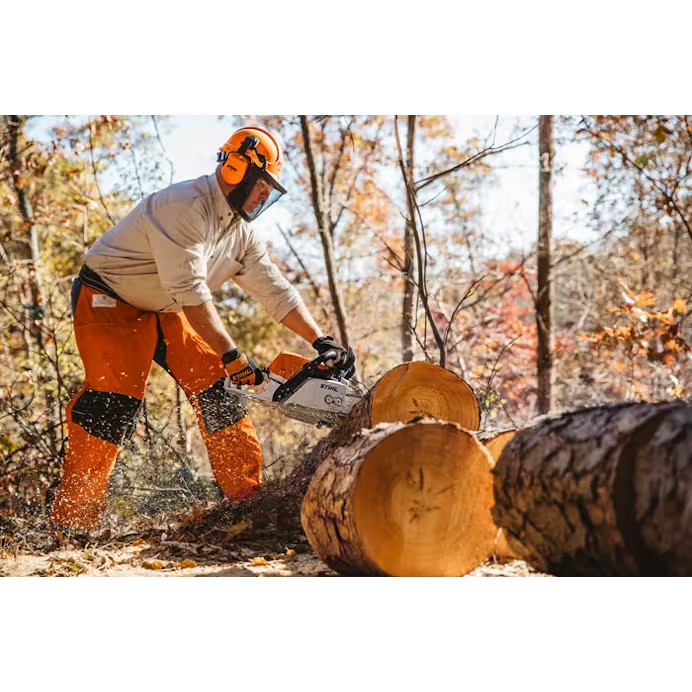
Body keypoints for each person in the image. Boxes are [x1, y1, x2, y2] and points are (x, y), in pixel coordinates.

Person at [49, 125, 355, 532]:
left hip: (167, 306)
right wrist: (233, 355)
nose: (265, 195)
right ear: (235, 168)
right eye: (263, 185)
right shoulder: (185, 206)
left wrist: (322, 341)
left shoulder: (240, 231)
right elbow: (193, 294)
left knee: (220, 390)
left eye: (270, 190)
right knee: (112, 403)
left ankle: (246, 504)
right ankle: (73, 524)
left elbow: (275, 290)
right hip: (112, 298)